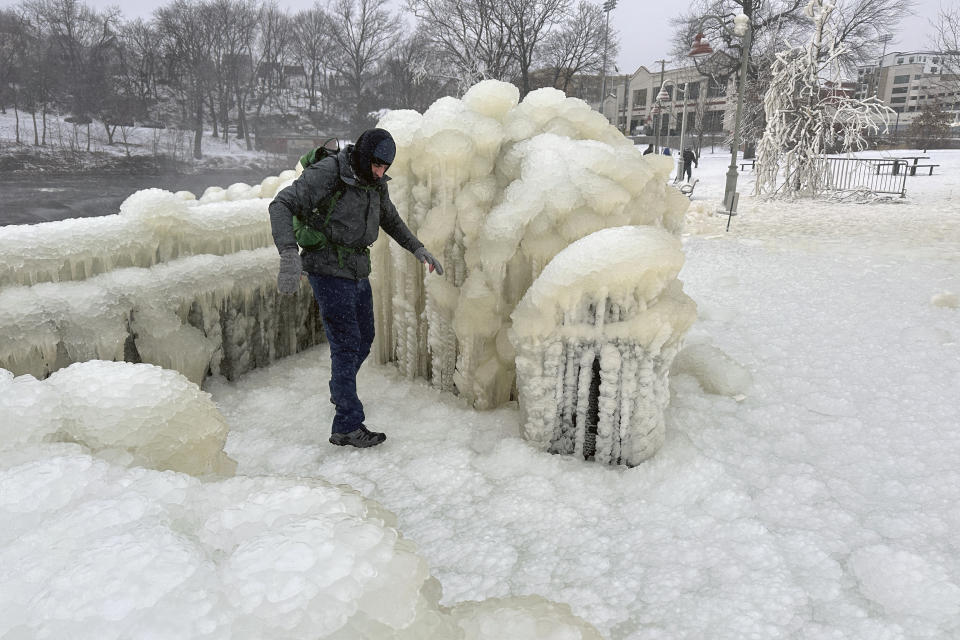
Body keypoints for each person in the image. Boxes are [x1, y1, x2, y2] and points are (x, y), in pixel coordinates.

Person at [269, 128, 443, 449]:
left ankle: (340, 387)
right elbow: (281, 204)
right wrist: (289, 253)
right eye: (376, 165)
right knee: (347, 342)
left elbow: (389, 218)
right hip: (326, 266)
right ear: (363, 156)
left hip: (357, 268)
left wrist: (417, 248)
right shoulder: (329, 172)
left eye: (385, 168)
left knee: (365, 337)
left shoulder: (375, 183)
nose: (380, 172)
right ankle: (347, 423)